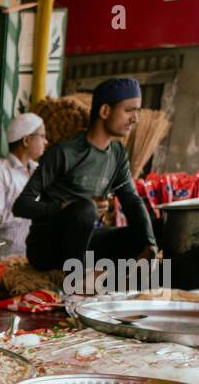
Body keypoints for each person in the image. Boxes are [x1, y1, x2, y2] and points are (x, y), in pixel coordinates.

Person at [12, 77, 157, 275]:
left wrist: (148, 244)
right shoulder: (63, 153)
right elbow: (21, 205)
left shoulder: (118, 154)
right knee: (85, 208)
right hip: (47, 248)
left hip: (83, 243)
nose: (135, 118)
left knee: (156, 229)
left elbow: (131, 201)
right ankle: (77, 279)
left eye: (137, 111)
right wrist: (64, 209)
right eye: (129, 110)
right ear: (105, 111)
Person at [0, 112, 47, 258]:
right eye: (42, 136)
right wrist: (27, 210)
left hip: (35, 256)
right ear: (26, 140)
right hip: (8, 260)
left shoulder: (38, 171)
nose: (46, 142)